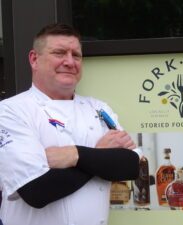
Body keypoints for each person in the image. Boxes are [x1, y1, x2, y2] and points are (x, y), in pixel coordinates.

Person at [0, 23, 140, 225]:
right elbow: (36, 191)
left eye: (76, 55)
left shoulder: (99, 109)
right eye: (59, 53)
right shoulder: (11, 111)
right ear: (34, 59)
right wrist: (99, 155)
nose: (69, 61)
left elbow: (130, 165)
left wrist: (74, 154)